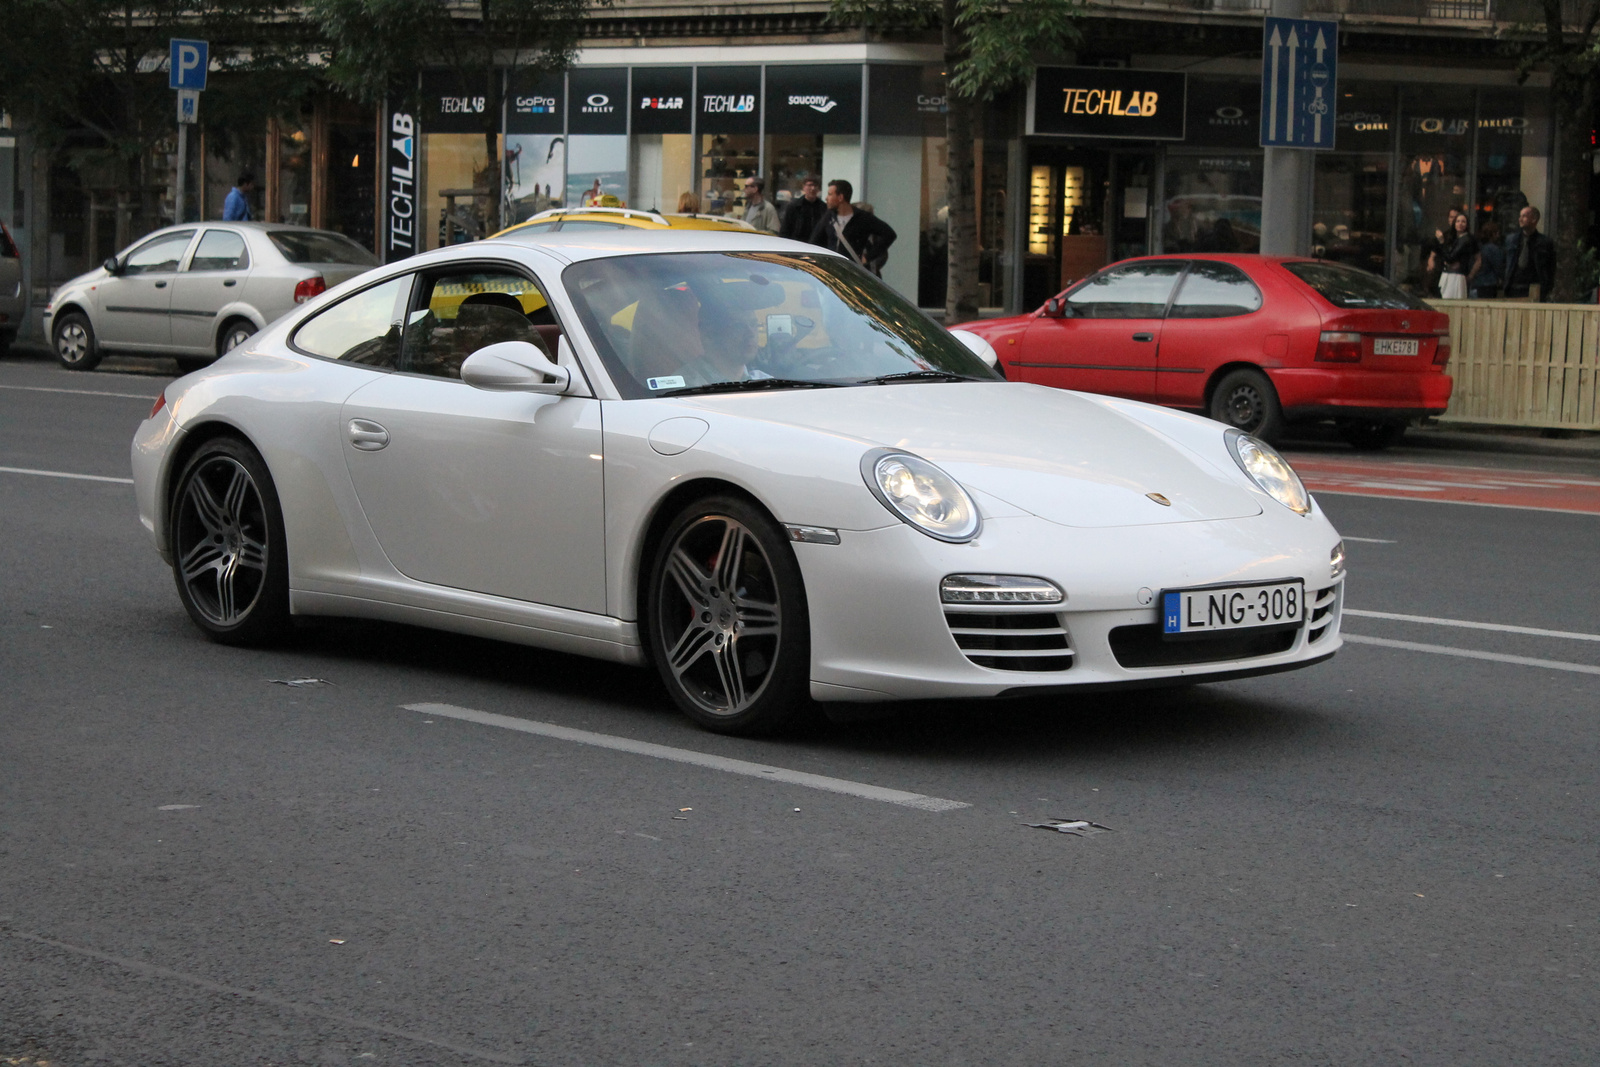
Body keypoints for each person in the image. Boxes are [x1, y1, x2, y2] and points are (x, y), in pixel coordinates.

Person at [807, 179, 896, 274]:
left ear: (840, 197)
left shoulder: (862, 218)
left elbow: (889, 234)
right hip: (832, 272)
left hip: (853, 273)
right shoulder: (828, 217)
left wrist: (868, 257)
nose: (826, 198)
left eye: (830, 194)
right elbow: (814, 241)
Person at [1503, 205, 1556, 301]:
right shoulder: (1512, 240)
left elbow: (1550, 267)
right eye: (1520, 216)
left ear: (1534, 219)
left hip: (1534, 288)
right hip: (1513, 287)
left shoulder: (1544, 242)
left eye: (1524, 216)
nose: (1520, 219)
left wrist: (1546, 287)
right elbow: (1505, 262)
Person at [1437, 210, 1477, 300]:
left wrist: (1442, 242)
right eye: (1458, 221)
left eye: (1463, 221)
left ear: (1467, 225)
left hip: (1456, 277)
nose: (1460, 224)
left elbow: (1450, 258)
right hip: (1448, 274)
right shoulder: (1454, 238)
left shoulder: (1465, 239)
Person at [780, 177, 826, 243]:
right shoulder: (794, 207)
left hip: (817, 246)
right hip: (798, 245)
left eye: (815, 186)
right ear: (804, 187)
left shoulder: (823, 207)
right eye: (810, 185)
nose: (813, 188)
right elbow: (785, 229)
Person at [1468, 220, 1504, 299]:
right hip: (1488, 285)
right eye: (1497, 233)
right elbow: (1498, 267)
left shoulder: (1478, 248)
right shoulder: (1493, 249)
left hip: (1475, 284)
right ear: (1494, 234)